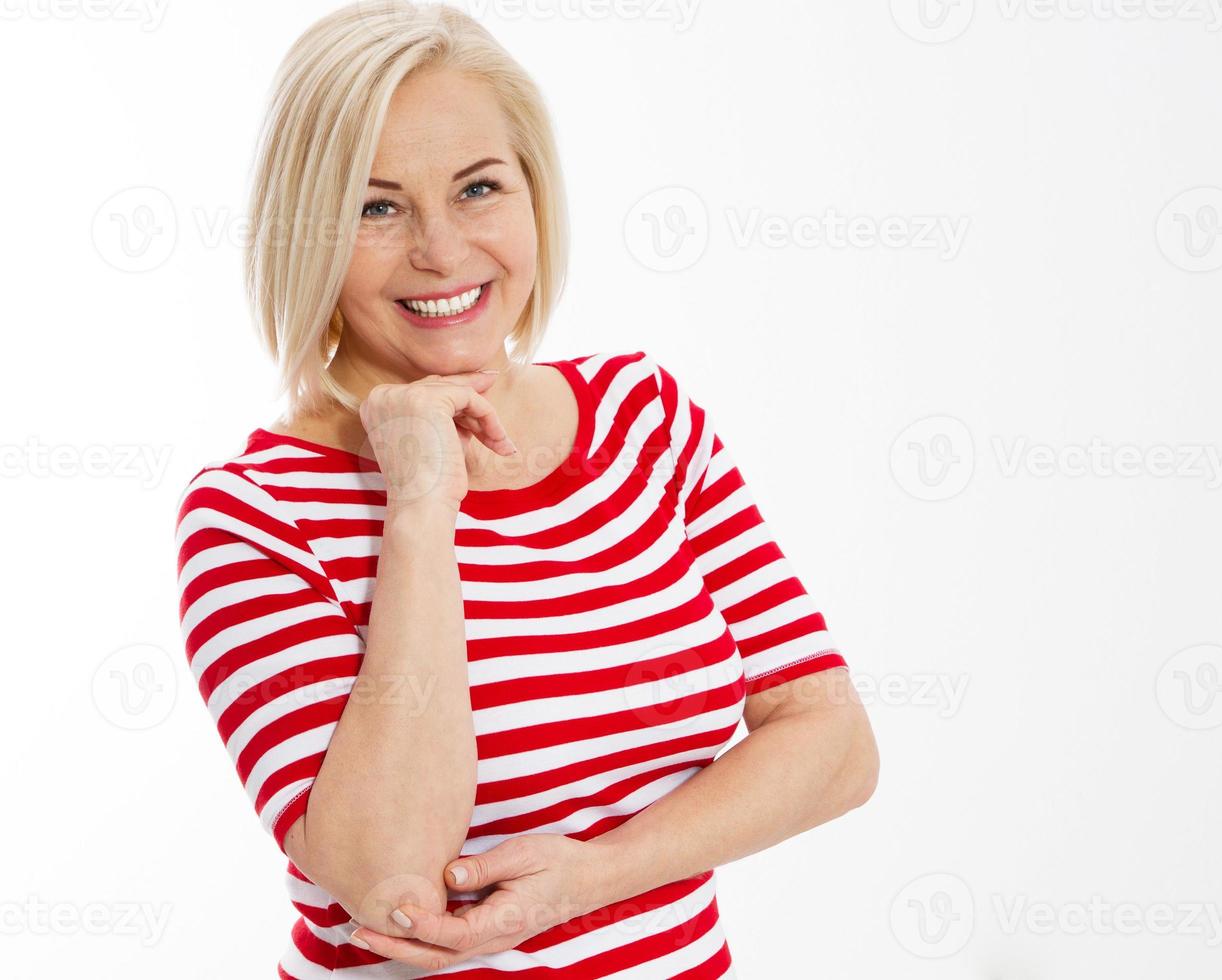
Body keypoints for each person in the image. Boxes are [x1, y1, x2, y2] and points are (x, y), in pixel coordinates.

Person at [173, 3, 879, 976]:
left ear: (535, 194)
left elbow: (831, 737)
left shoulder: (643, 417)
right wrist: (420, 497)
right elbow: (391, 877)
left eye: (477, 188)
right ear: (310, 233)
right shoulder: (258, 516)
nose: (441, 249)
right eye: (377, 205)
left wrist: (594, 874)